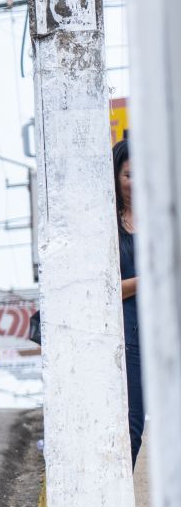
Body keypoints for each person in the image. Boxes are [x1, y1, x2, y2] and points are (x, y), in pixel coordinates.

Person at [115, 139, 145, 463]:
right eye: (129, 175)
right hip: (130, 335)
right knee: (132, 426)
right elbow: (104, 290)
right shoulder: (109, 226)